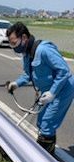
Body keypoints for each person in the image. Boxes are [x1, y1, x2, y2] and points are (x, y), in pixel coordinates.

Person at [6, 22, 74, 155]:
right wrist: (16, 84)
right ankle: (49, 150)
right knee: (41, 121)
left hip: (63, 89)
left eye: (14, 43)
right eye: (11, 44)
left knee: (47, 122)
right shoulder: (27, 54)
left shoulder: (44, 50)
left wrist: (52, 93)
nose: (13, 47)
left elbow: (64, 71)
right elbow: (28, 74)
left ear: (24, 38)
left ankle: (44, 157)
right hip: (47, 91)